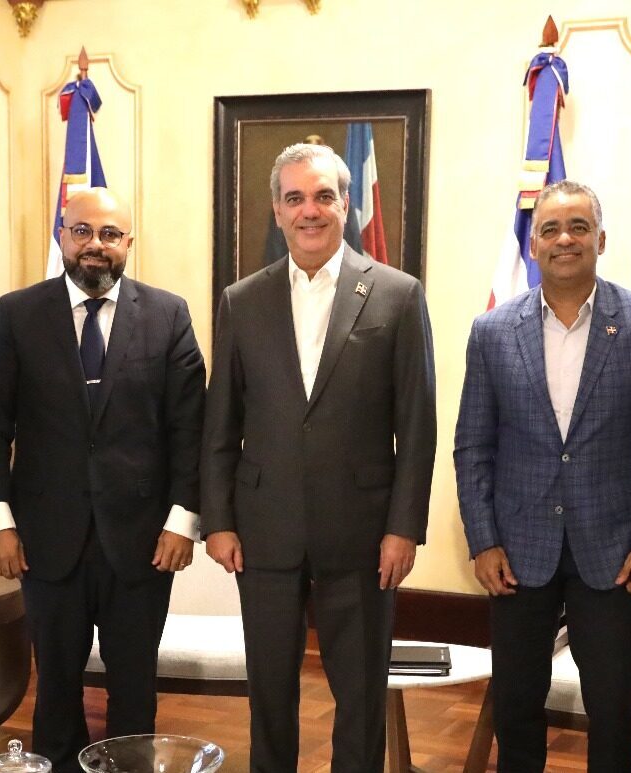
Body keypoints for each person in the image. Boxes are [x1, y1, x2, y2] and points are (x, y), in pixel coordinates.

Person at [201, 143, 436, 772]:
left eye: (323, 196)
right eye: (296, 198)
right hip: (263, 532)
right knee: (269, 696)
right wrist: (218, 520)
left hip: (362, 535)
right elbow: (221, 423)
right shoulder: (241, 300)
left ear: (345, 204)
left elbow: (417, 427)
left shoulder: (396, 294)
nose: (310, 210)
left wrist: (403, 528)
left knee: (360, 697)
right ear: (277, 211)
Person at [454, 180, 631, 773]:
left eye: (579, 227)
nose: (565, 239)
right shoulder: (492, 332)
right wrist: (483, 540)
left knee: (612, 708)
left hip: (613, 550)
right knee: (516, 707)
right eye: (551, 229)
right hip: (516, 550)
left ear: (600, 240)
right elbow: (473, 444)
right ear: (533, 244)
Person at [0, 188, 205, 772]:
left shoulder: (168, 314)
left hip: (143, 542)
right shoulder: (18, 314)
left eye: (109, 234)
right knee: (55, 687)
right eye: (82, 231)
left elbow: (190, 429)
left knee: (135, 688)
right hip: (44, 538)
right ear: (62, 237)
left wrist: (183, 521)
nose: (94, 245)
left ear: (129, 242)